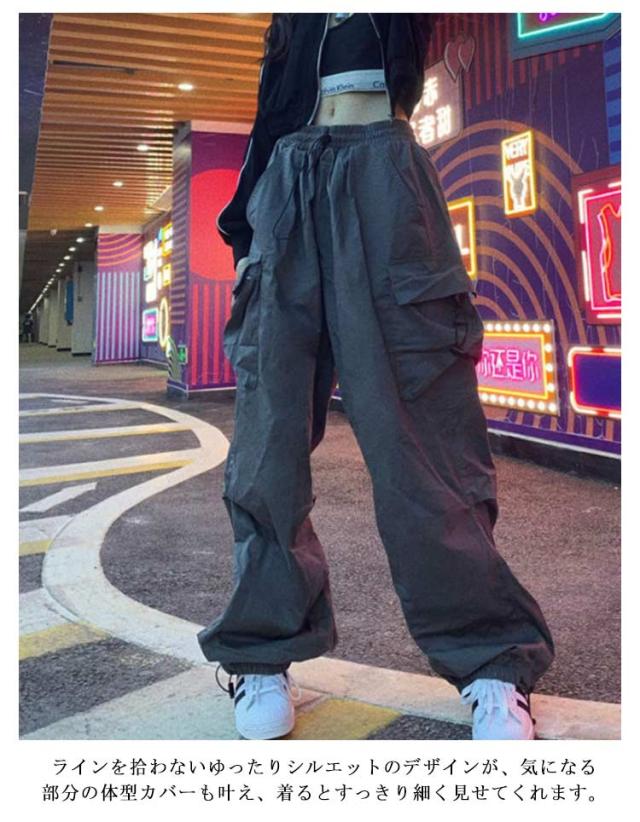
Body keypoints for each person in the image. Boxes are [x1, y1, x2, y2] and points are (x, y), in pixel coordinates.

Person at [197, 12, 555, 741]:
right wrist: (247, 236)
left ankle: (491, 661)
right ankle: (259, 653)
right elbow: (271, 116)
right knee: (266, 449)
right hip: (287, 184)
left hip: (385, 176)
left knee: (425, 445)